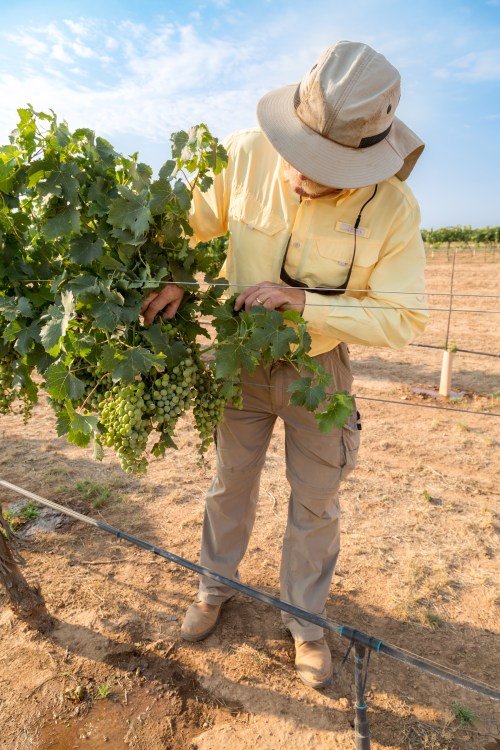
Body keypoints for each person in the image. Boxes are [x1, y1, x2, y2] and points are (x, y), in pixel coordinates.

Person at [141, 40, 428, 689]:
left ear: (365, 162)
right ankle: (214, 590)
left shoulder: (392, 211)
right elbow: (189, 229)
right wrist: (176, 276)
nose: (297, 175)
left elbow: (403, 316)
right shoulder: (242, 154)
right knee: (228, 485)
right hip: (236, 361)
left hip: (316, 373)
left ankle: (305, 619)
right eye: (296, 155)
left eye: (320, 169)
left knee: (316, 504)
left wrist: (309, 304)